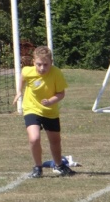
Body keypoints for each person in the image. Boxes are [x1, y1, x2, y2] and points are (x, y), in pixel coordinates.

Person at [12, 46, 75, 178]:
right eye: (39, 64)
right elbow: (22, 77)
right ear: (33, 62)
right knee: (34, 138)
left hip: (50, 111)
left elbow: (61, 93)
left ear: (51, 62)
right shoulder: (28, 71)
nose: (42, 68)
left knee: (55, 141)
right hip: (31, 108)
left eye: (46, 65)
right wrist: (19, 91)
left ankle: (59, 165)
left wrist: (51, 101)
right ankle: (38, 167)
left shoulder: (56, 73)